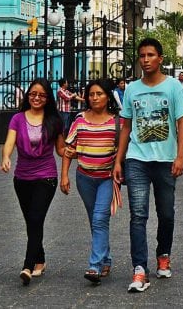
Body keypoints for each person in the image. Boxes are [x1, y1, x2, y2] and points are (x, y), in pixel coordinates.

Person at [114, 37, 183, 293]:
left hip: (165, 159)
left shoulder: (174, 87)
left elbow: (182, 122)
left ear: (160, 58)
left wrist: (180, 156)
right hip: (137, 159)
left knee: (166, 213)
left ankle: (163, 254)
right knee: (138, 214)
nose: (145, 60)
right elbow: (126, 125)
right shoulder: (132, 89)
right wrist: (119, 159)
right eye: (142, 56)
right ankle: (139, 269)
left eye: (150, 55)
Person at [0, 79, 65, 285]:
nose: (36, 98)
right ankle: (40, 258)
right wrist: (6, 157)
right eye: (33, 94)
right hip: (22, 177)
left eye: (41, 95)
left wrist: (75, 151)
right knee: (31, 220)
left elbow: (61, 150)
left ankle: (27, 265)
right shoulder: (18, 119)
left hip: (46, 176)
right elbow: (9, 142)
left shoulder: (54, 121)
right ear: (28, 96)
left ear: (47, 99)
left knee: (36, 217)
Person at [60, 79, 120, 284]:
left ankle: (94, 266)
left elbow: (121, 151)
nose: (95, 98)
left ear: (107, 97)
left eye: (99, 94)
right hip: (84, 178)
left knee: (99, 219)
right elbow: (69, 150)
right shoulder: (79, 120)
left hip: (107, 179)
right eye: (91, 94)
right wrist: (64, 175)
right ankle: (106, 259)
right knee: (95, 220)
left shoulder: (116, 122)